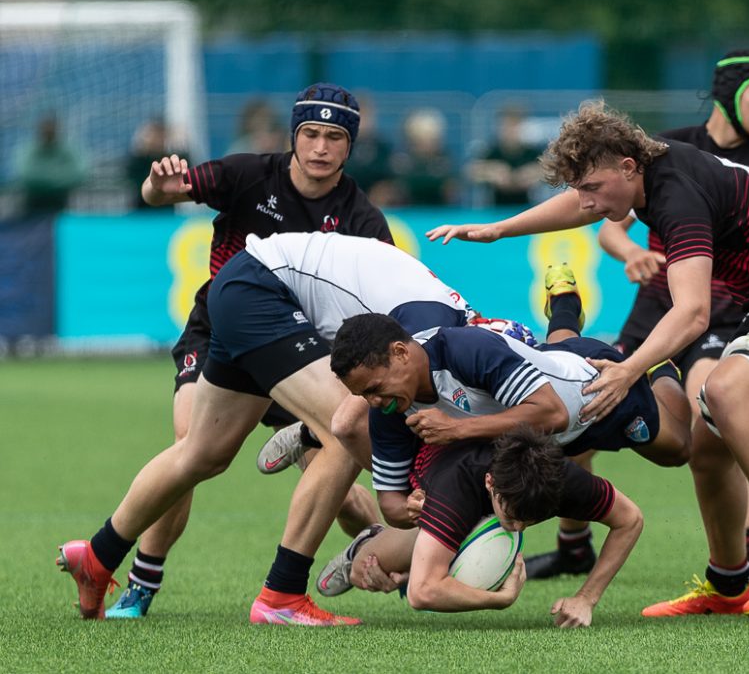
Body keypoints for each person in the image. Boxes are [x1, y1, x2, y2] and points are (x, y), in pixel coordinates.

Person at [427, 100, 749, 618]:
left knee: (725, 393)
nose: (590, 201)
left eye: (594, 186)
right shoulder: (642, 169)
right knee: (707, 443)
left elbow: (692, 313)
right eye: (583, 188)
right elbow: (582, 204)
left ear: (627, 167)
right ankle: (729, 585)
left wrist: (629, 368)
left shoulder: (676, 193)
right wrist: (499, 229)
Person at [58, 232, 472, 626]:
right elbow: (365, 422)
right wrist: (435, 510)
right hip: (263, 291)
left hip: (241, 284)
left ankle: (97, 556)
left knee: (203, 451)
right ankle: (283, 595)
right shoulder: (432, 331)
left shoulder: (448, 332)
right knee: (344, 429)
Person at [101, 84, 388, 620]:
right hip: (219, 336)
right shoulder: (248, 174)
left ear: (349, 147)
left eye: (334, 137)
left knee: (340, 472)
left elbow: (376, 306)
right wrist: (158, 187)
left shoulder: (362, 220)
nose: (320, 147)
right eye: (310, 134)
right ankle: (141, 583)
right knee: (191, 450)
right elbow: (161, 193)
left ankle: (381, 551)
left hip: (294, 354)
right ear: (293, 135)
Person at [535, 50, 749, 583]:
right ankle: (573, 544)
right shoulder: (661, 150)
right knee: (577, 408)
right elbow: (609, 222)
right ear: (731, 94)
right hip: (656, 310)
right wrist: (629, 253)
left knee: (717, 413)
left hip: (723, 315)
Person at [325, 306, 690, 531]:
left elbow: (553, 413)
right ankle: (562, 306)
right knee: (551, 355)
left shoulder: (464, 350)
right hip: (547, 420)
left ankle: (657, 366)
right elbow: (389, 500)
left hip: (593, 395)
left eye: (374, 387)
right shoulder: (390, 407)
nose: (372, 402)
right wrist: (411, 508)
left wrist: (456, 429)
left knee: (677, 450)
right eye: (363, 396)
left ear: (401, 352)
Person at [314, 427, 642, 628]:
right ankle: (310, 434)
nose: (518, 527)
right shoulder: (456, 487)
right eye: (512, 515)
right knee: (364, 569)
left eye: (530, 520)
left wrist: (587, 598)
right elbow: (422, 593)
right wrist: (497, 599)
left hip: (470, 482)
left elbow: (630, 520)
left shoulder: (560, 480)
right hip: (416, 460)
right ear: (490, 484)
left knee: (440, 560)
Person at [9, 112, 88, 214]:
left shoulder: (69, 150)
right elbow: (26, 174)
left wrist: (45, 178)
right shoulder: (28, 150)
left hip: (62, 206)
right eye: (45, 127)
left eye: (51, 127)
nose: (48, 130)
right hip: (31, 208)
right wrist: (59, 177)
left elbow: (79, 173)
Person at [466, 106, 542, 206]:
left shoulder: (532, 152)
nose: (510, 131)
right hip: (496, 210)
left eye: (514, 126)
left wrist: (533, 174)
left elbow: (552, 171)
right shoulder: (491, 151)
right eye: (506, 126)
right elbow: (470, 173)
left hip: (526, 209)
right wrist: (492, 172)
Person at [121, 117, 187, 210]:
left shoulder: (171, 158)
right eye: (152, 135)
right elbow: (131, 177)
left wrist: (180, 143)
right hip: (141, 209)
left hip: (166, 211)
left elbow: (186, 167)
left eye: (159, 136)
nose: (156, 139)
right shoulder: (139, 159)